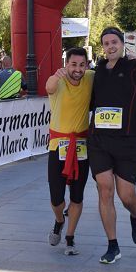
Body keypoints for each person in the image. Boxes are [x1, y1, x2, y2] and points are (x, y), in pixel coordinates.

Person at [89, 26, 136, 264]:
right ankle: (113, 245)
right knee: (105, 189)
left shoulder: (132, 68)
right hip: (99, 140)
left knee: (126, 195)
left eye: (114, 42)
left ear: (122, 45)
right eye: (106, 43)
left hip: (126, 141)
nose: (110, 46)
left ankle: (135, 214)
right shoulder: (97, 70)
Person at [45, 47, 94, 256]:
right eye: (73, 64)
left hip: (82, 147)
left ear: (87, 66)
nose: (78, 69)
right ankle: (59, 220)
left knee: (77, 196)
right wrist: (56, 77)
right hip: (58, 147)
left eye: (82, 65)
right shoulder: (58, 80)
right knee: (56, 198)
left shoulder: (91, 78)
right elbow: (48, 87)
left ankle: (70, 237)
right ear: (67, 64)